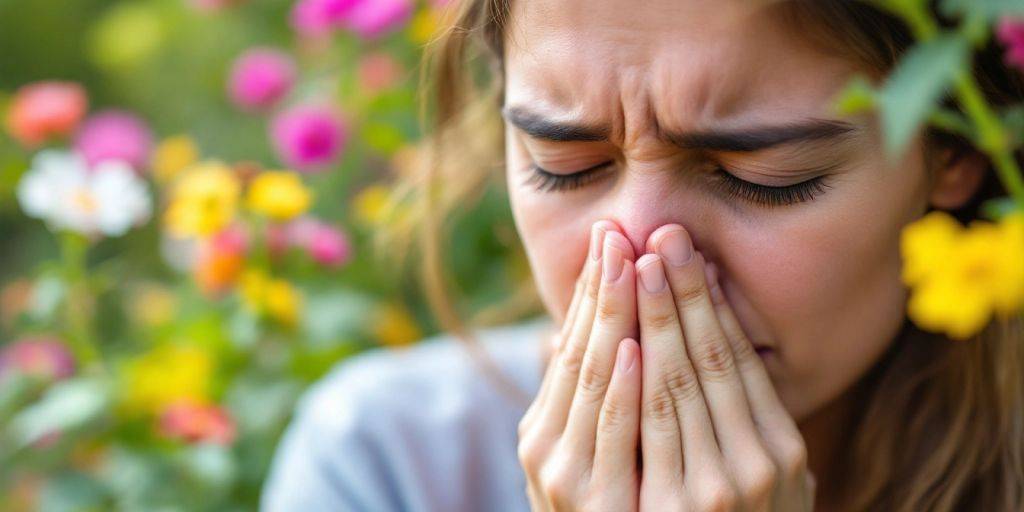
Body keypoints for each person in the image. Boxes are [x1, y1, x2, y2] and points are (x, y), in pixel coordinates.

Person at [262, 1, 1024, 510]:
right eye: (565, 163)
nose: (641, 256)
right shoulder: (390, 465)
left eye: (762, 178)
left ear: (954, 148)